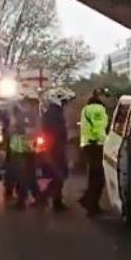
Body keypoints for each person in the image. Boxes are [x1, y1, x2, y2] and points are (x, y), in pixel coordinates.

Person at [40, 88, 74, 212]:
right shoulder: (53, 113)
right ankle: (52, 200)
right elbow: (53, 132)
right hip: (55, 148)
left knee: (59, 174)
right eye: (64, 101)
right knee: (60, 174)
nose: (66, 103)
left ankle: (52, 199)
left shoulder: (54, 112)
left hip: (56, 147)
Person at [77, 88, 109, 216]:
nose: (107, 99)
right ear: (99, 96)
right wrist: (104, 140)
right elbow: (97, 127)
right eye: (105, 96)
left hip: (87, 144)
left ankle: (87, 200)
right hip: (96, 145)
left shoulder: (86, 108)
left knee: (93, 175)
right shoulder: (97, 109)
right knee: (98, 177)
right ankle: (92, 205)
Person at [9, 97, 41, 209]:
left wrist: (19, 129)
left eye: (23, 104)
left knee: (22, 176)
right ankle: (37, 197)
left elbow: (35, 131)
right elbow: (12, 130)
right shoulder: (21, 115)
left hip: (24, 150)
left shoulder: (29, 116)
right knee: (29, 176)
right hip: (21, 150)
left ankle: (21, 200)